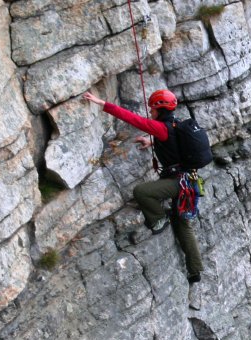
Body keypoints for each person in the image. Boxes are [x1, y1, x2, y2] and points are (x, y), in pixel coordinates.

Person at [82, 89, 204, 286]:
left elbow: (131, 118)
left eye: (153, 108)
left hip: (177, 183)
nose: (150, 111)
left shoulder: (161, 127)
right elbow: (173, 143)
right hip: (189, 181)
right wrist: (152, 141)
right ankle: (195, 271)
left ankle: (159, 219)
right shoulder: (176, 123)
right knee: (183, 224)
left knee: (142, 192)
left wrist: (101, 102)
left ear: (159, 109)